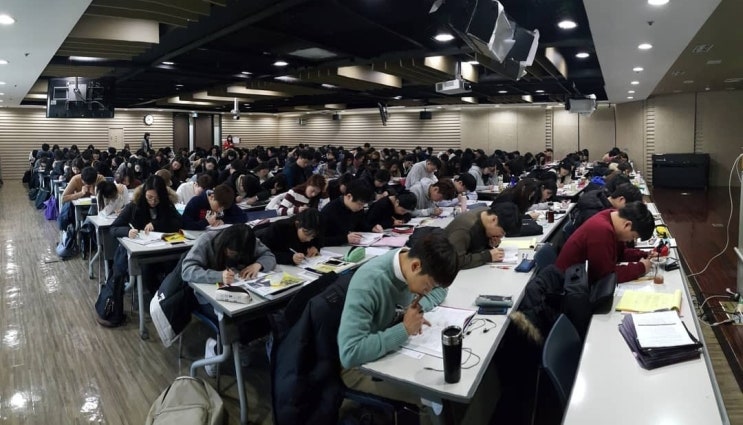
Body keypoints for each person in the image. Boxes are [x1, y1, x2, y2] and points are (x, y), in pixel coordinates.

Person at [337, 233, 458, 416]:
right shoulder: (369, 283)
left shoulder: (412, 264)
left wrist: (416, 307)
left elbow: (442, 290)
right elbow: (349, 353)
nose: (429, 292)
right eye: (428, 286)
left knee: (446, 382)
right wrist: (404, 329)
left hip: (392, 349)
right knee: (432, 398)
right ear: (415, 266)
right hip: (360, 368)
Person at [181, 224, 277, 377]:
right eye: (231, 252)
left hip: (242, 292)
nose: (232, 256)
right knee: (234, 324)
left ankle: (243, 344)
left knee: (263, 317)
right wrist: (219, 276)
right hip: (208, 297)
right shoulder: (207, 241)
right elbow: (187, 271)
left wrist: (257, 265)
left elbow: (269, 255)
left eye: (238, 254)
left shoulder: (247, 240)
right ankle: (215, 348)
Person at [110, 175, 183, 292]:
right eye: (149, 197)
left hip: (163, 250)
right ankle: (153, 295)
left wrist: (157, 224)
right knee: (147, 270)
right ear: (144, 193)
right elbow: (114, 228)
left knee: (174, 265)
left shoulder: (167, 205)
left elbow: (179, 223)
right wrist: (127, 231)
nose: (153, 201)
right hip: (140, 252)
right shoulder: (134, 205)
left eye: (157, 198)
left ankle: (166, 294)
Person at [555, 201, 655, 283]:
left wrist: (644, 255)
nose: (630, 241)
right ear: (627, 225)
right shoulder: (602, 230)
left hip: (579, 280)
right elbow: (606, 276)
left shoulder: (613, 217)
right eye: (633, 237)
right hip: (567, 286)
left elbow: (620, 253)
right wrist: (640, 268)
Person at [444, 202, 522, 269]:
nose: (501, 237)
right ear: (494, 219)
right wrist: (487, 256)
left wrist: (489, 244)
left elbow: (474, 246)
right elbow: (455, 261)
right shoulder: (464, 230)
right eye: (502, 232)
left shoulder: (486, 214)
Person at [255, 208, 322, 265]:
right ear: (297, 224)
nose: (309, 239)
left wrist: (315, 247)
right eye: (306, 234)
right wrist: (290, 258)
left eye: (313, 236)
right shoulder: (279, 228)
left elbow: (319, 240)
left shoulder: (312, 228)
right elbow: (267, 254)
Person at [319, 179, 374, 246]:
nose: (361, 208)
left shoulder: (357, 209)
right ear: (349, 196)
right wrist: (345, 239)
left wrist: (371, 228)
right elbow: (319, 240)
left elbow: (360, 225)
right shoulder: (329, 211)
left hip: (351, 246)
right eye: (360, 204)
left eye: (363, 205)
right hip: (332, 249)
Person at [182, 184, 247, 230]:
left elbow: (243, 216)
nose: (220, 210)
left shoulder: (225, 201)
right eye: (219, 206)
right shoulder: (196, 202)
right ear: (212, 197)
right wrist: (206, 222)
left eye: (223, 208)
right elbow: (185, 224)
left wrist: (224, 221)